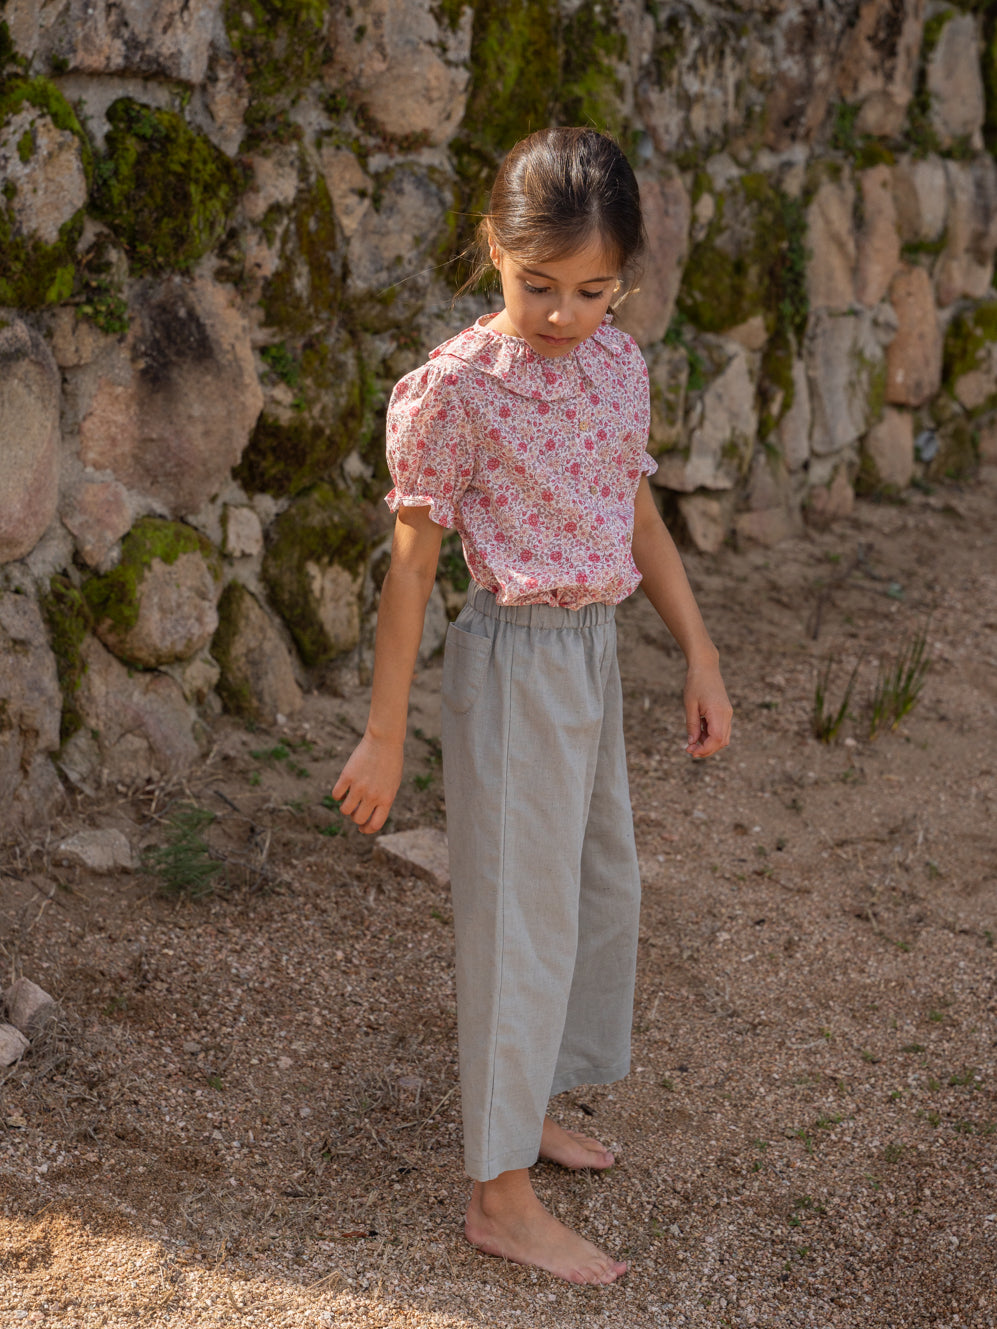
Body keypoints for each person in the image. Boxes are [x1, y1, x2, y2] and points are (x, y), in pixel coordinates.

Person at [332, 127, 732, 1286]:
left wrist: (697, 653)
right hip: (511, 661)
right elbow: (409, 570)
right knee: (516, 915)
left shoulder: (617, 363)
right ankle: (497, 1195)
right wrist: (382, 732)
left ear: (628, 279)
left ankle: (528, 1110)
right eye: (536, 285)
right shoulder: (455, 391)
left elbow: (639, 518)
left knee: (596, 886)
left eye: (593, 290)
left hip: (593, 654)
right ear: (491, 250)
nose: (563, 314)